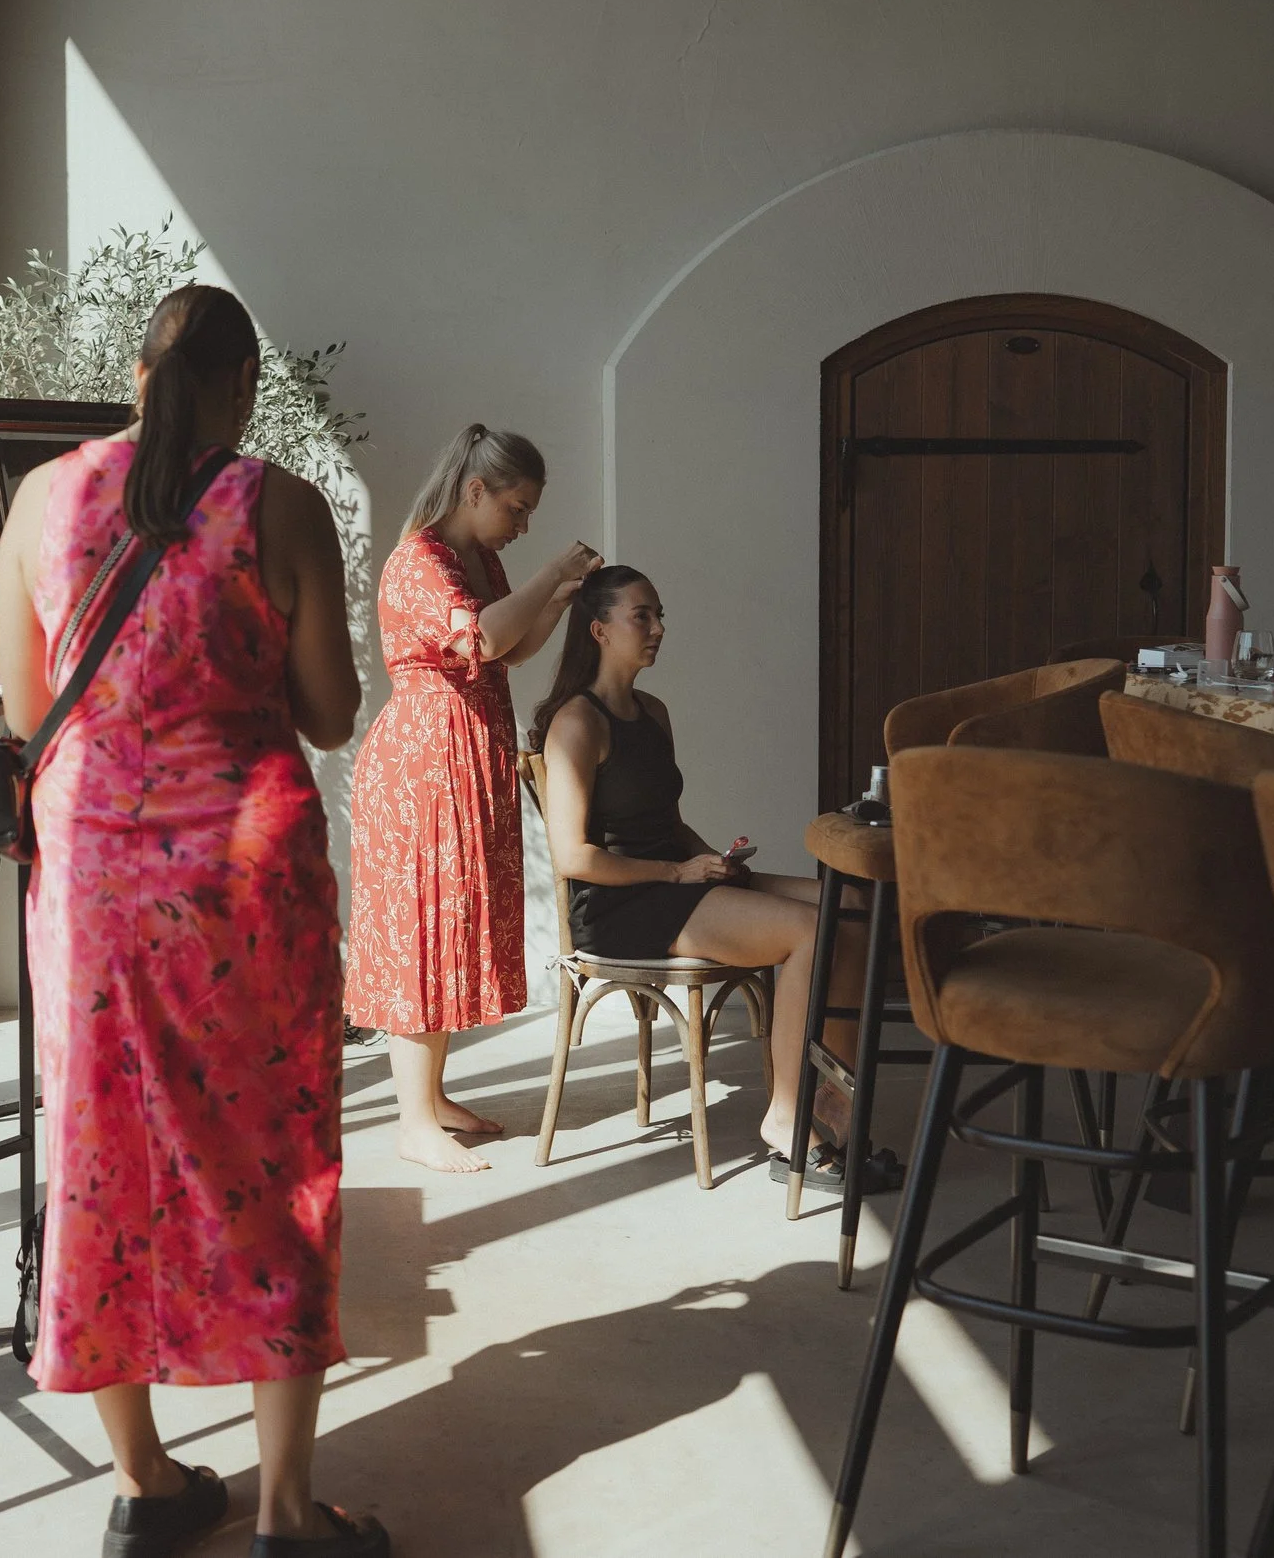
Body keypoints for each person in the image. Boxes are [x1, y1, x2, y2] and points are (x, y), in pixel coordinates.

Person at [0, 283, 385, 1558]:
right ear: (241, 388)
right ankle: (283, 1514)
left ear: (135, 377)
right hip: (244, 889)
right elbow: (329, 712)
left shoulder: (42, 499)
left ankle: (148, 1483)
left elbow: (25, 702)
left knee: (102, 1163)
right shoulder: (277, 503)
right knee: (274, 1165)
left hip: (98, 886)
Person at [533, 567, 889, 1185]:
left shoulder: (654, 713)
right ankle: (785, 1116)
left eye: (658, 614)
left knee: (850, 904)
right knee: (808, 931)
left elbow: (668, 822)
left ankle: (835, 1096)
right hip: (619, 907)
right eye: (641, 616)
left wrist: (711, 860)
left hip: (672, 881)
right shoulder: (576, 724)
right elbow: (574, 858)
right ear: (599, 630)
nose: (658, 628)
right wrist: (677, 873)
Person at [344, 425, 600, 1173]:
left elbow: (510, 646)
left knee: (452, 926)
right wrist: (550, 569)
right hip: (425, 764)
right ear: (475, 489)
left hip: (462, 755)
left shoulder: (476, 558)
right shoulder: (421, 559)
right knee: (424, 932)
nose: (522, 527)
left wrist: (555, 596)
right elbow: (484, 638)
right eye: (516, 509)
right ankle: (412, 1121)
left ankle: (433, 1097)